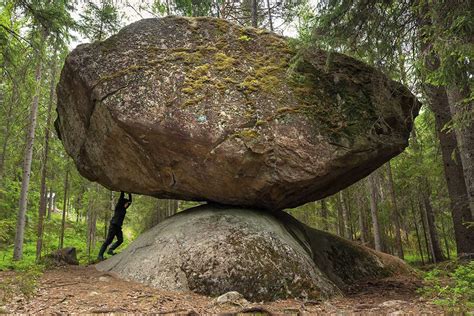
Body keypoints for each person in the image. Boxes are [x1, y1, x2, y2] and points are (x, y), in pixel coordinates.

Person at [97, 191, 132, 261]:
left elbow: (130, 201)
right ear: (123, 203)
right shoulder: (118, 206)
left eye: (127, 204)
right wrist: (122, 191)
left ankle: (110, 250)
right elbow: (121, 198)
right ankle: (100, 255)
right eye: (126, 203)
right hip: (113, 226)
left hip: (118, 227)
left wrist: (129, 193)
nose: (127, 205)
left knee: (120, 240)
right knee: (108, 241)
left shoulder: (124, 209)